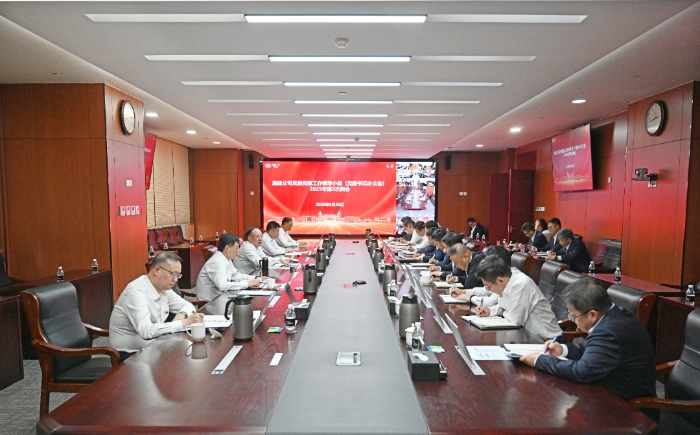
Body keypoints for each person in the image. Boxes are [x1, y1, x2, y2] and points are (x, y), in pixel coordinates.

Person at [520, 278, 657, 416]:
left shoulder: (608, 331)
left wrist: (539, 360)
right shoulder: (616, 315)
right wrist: (563, 350)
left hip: (627, 410)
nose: (572, 320)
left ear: (592, 314)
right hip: (606, 390)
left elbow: (582, 371)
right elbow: (595, 352)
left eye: (574, 315)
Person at [109, 252, 204, 361]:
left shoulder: (163, 288)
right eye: (173, 274)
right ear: (157, 270)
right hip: (131, 355)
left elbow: (188, 305)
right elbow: (146, 331)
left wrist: (182, 315)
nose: (176, 279)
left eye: (178, 275)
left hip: (155, 345)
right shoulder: (136, 292)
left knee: (189, 356)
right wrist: (182, 323)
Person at [474, 256, 562, 341]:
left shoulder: (521, 285)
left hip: (546, 340)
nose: (489, 290)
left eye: (489, 287)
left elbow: (515, 320)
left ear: (500, 280)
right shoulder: (508, 278)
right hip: (525, 335)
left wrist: (505, 311)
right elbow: (508, 307)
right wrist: (490, 310)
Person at [195, 233, 262, 301]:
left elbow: (235, 276)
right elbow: (222, 286)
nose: (238, 251)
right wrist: (246, 284)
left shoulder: (226, 258)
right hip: (211, 302)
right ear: (227, 248)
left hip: (222, 297)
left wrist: (256, 278)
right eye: (236, 248)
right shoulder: (217, 262)